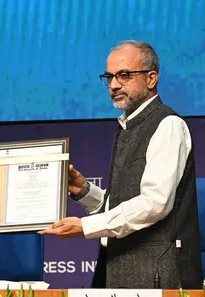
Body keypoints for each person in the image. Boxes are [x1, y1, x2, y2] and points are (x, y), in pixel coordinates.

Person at [39, 40, 202, 288]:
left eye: (124, 75)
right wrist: (85, 192)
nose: (114, 85)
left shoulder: (168, 125)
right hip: (115, 267)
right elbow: (122, 204)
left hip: (156, 275)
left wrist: (86, 226)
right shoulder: (127, 125)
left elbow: (155, 203)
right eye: (109, 77)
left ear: (151, 79)